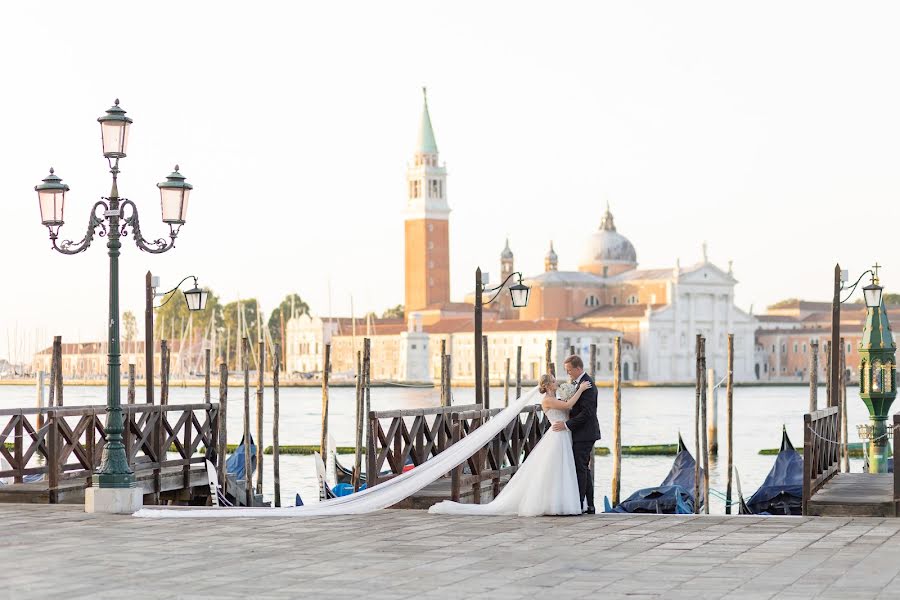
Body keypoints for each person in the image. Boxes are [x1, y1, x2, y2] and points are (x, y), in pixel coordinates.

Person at [428, 373, 592, 517]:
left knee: (563, 470)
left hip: (564, 435)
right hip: (557, 436)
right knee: (556, 470)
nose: (557, 384)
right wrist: (580, 390)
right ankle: (554, 504)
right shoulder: (548, 400)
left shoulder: (555, 399)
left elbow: (568, 408)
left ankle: (563, 502)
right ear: (548, 385)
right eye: (554, 381)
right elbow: (568, 406)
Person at [551, 355, 601, 513]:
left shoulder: (587, 385)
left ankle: (579, 504)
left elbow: (587, 413)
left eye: (569, 370)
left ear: (578, 368)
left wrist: (566, 424)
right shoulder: (579, 384)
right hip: (583, 433)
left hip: (585, 433)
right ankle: (589, 505)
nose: (568, 373)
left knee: (580, 468)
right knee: (583, 468)